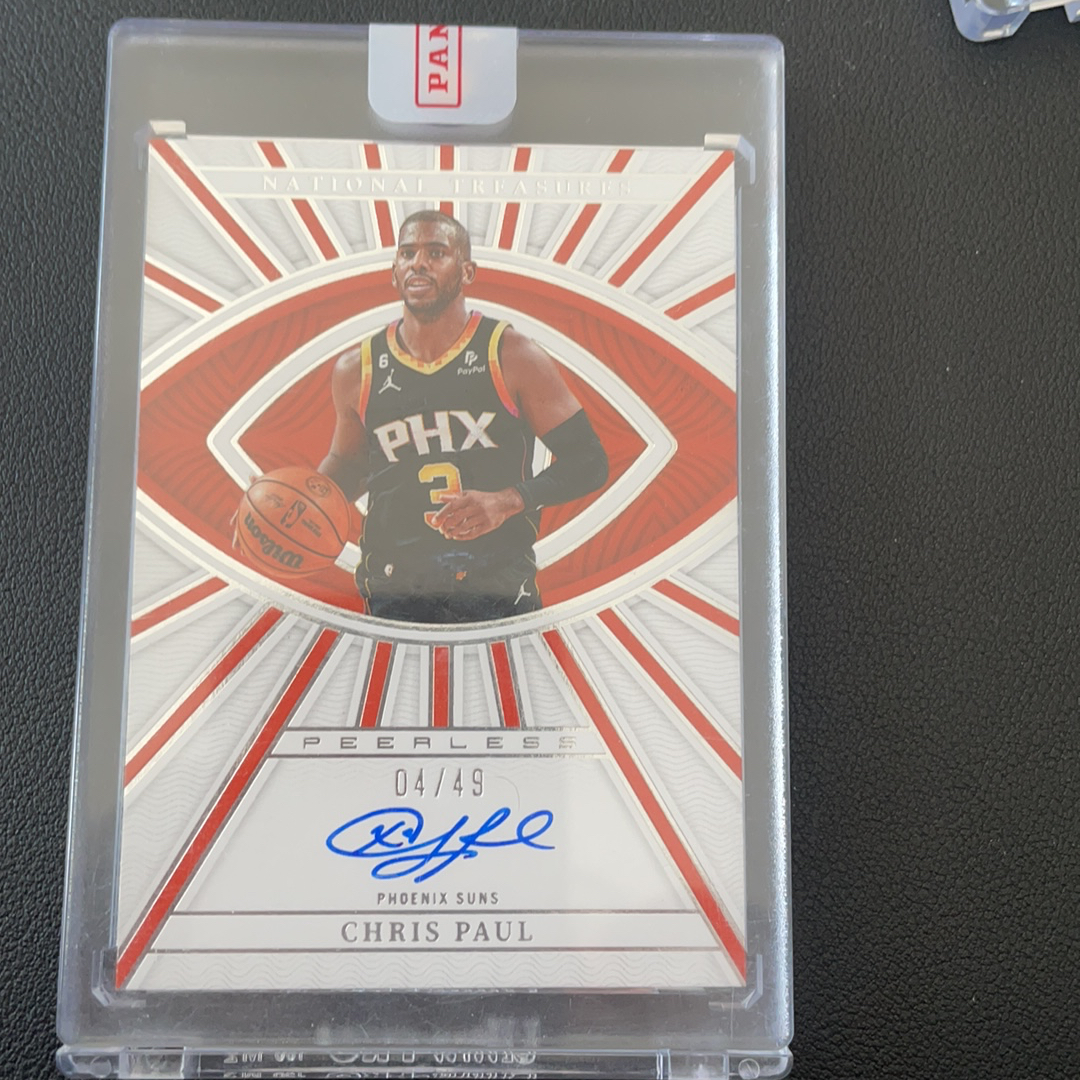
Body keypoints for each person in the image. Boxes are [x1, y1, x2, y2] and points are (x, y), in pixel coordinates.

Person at [319, 210, 608, 624]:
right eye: (408, 253)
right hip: (394, 586)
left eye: (436, 253)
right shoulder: (356, 369)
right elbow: (349, 465)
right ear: (394, 272)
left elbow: (589, 461)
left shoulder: (510, 354)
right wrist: (295, 501)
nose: (419, 263)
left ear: (467, 271)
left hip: (495, 585)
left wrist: (509, 500)